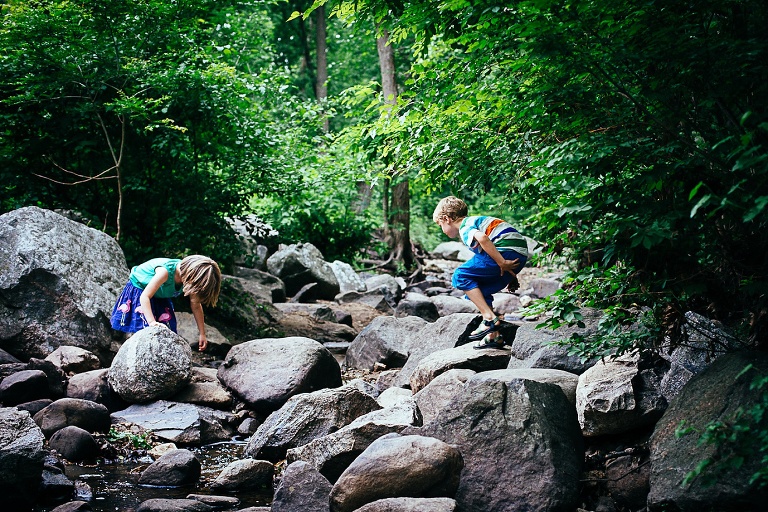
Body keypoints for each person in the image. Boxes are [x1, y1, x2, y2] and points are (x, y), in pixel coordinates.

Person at [433, 196, 530, 349]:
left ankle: (489, 318)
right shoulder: (475, 221)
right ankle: (493, 336)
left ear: (447, 218)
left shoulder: (465, 227)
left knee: (460, 276)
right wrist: (510, 274)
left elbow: (483, 238)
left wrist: (502, 263)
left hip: (504, 252)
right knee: (478, 289)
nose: (442, 230)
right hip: (519, 254)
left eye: (440, 224)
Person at [110, 255, 222, 351]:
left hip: (160, 295)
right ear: (190, 277)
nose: (194, 292)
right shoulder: (164, 272)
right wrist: (152, 322)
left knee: (168, 328)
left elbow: (196, 305)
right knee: (143, 327)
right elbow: (145, 297)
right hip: (141, 291)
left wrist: (202, 333)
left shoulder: (191, 278)